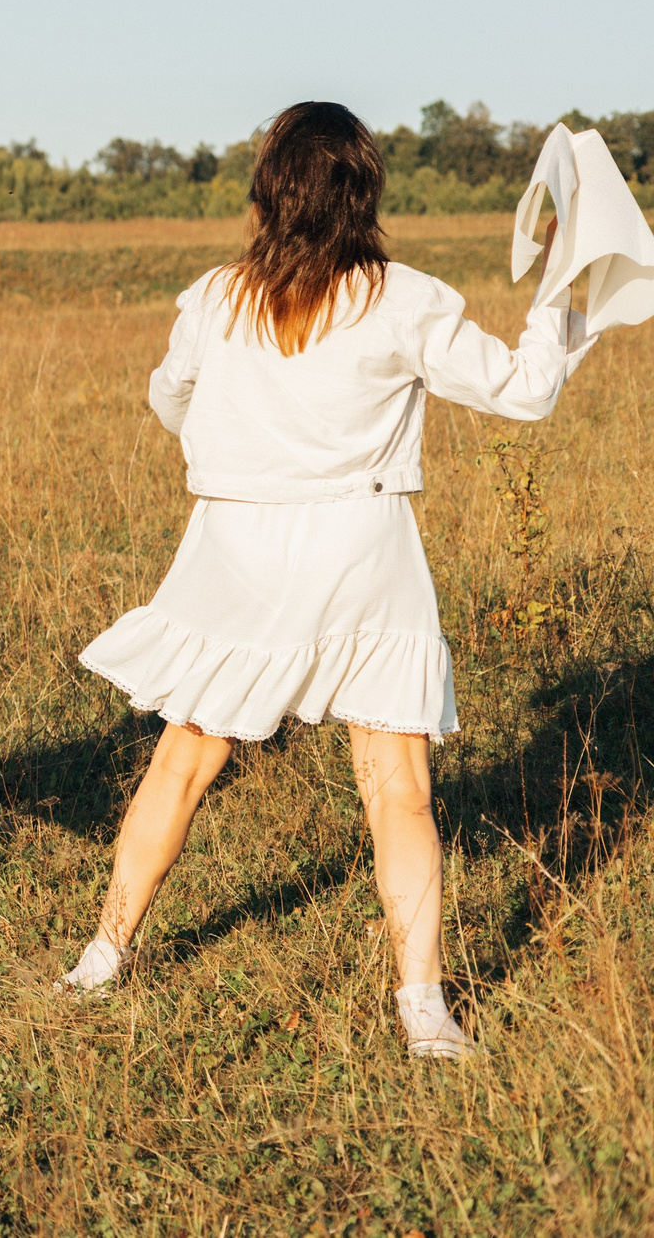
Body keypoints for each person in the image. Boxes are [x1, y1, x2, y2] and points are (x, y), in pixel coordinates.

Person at [55, 102, 592, 1060]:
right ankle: (423, 1009)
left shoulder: (217, 296)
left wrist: (234, 434)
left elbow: (168, 395)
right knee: (399, 789)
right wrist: (557, 287)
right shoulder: (400, 298)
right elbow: (525, 389)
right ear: (365, 192)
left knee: (181, 762)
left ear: (269, 191)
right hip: (364, 554)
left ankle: (102, 954)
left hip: (237, 552)